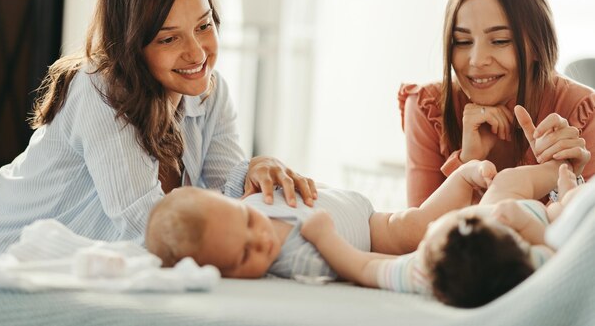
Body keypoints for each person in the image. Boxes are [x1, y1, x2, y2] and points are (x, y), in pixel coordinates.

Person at [0, 0, 316, 257]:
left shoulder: (210, 91)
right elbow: (148, 226)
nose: (197, 52)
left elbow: (223, 201)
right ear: (131, 46)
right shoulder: (99, 89)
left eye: (204, 25)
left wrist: (256, 167)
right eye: (168, 38)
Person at [145, 155, 541, 279]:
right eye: (244, 255)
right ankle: (483, 205)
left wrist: (264, 169)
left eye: (248, 223)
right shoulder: (292, 262)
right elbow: (356, 267)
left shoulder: (242, 202)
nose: (260, 238)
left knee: (415, 220)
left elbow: (253, 182)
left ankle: (462, 178)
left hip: (354, 206)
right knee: (418, 230)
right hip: (368, 235)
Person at [399, 0, 595, 207]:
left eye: (500, 41)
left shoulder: (583, 111)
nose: (477, 60)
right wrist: (468, 163)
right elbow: (418, 235)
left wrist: (560, 177)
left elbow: (581, 238)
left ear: (537, 45)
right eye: (462, 42)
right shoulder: (427, 107)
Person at [300, 161, 584, 308]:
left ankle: (557, 179)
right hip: (534, 221)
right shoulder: (529, 263)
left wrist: (325, 237)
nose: (431, 226)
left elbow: (363, 267)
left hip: (499, 214)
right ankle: (563, 177)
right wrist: (523, 221)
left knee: (506, 184)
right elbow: (556, 250)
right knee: (566, 215)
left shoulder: (420, 270)